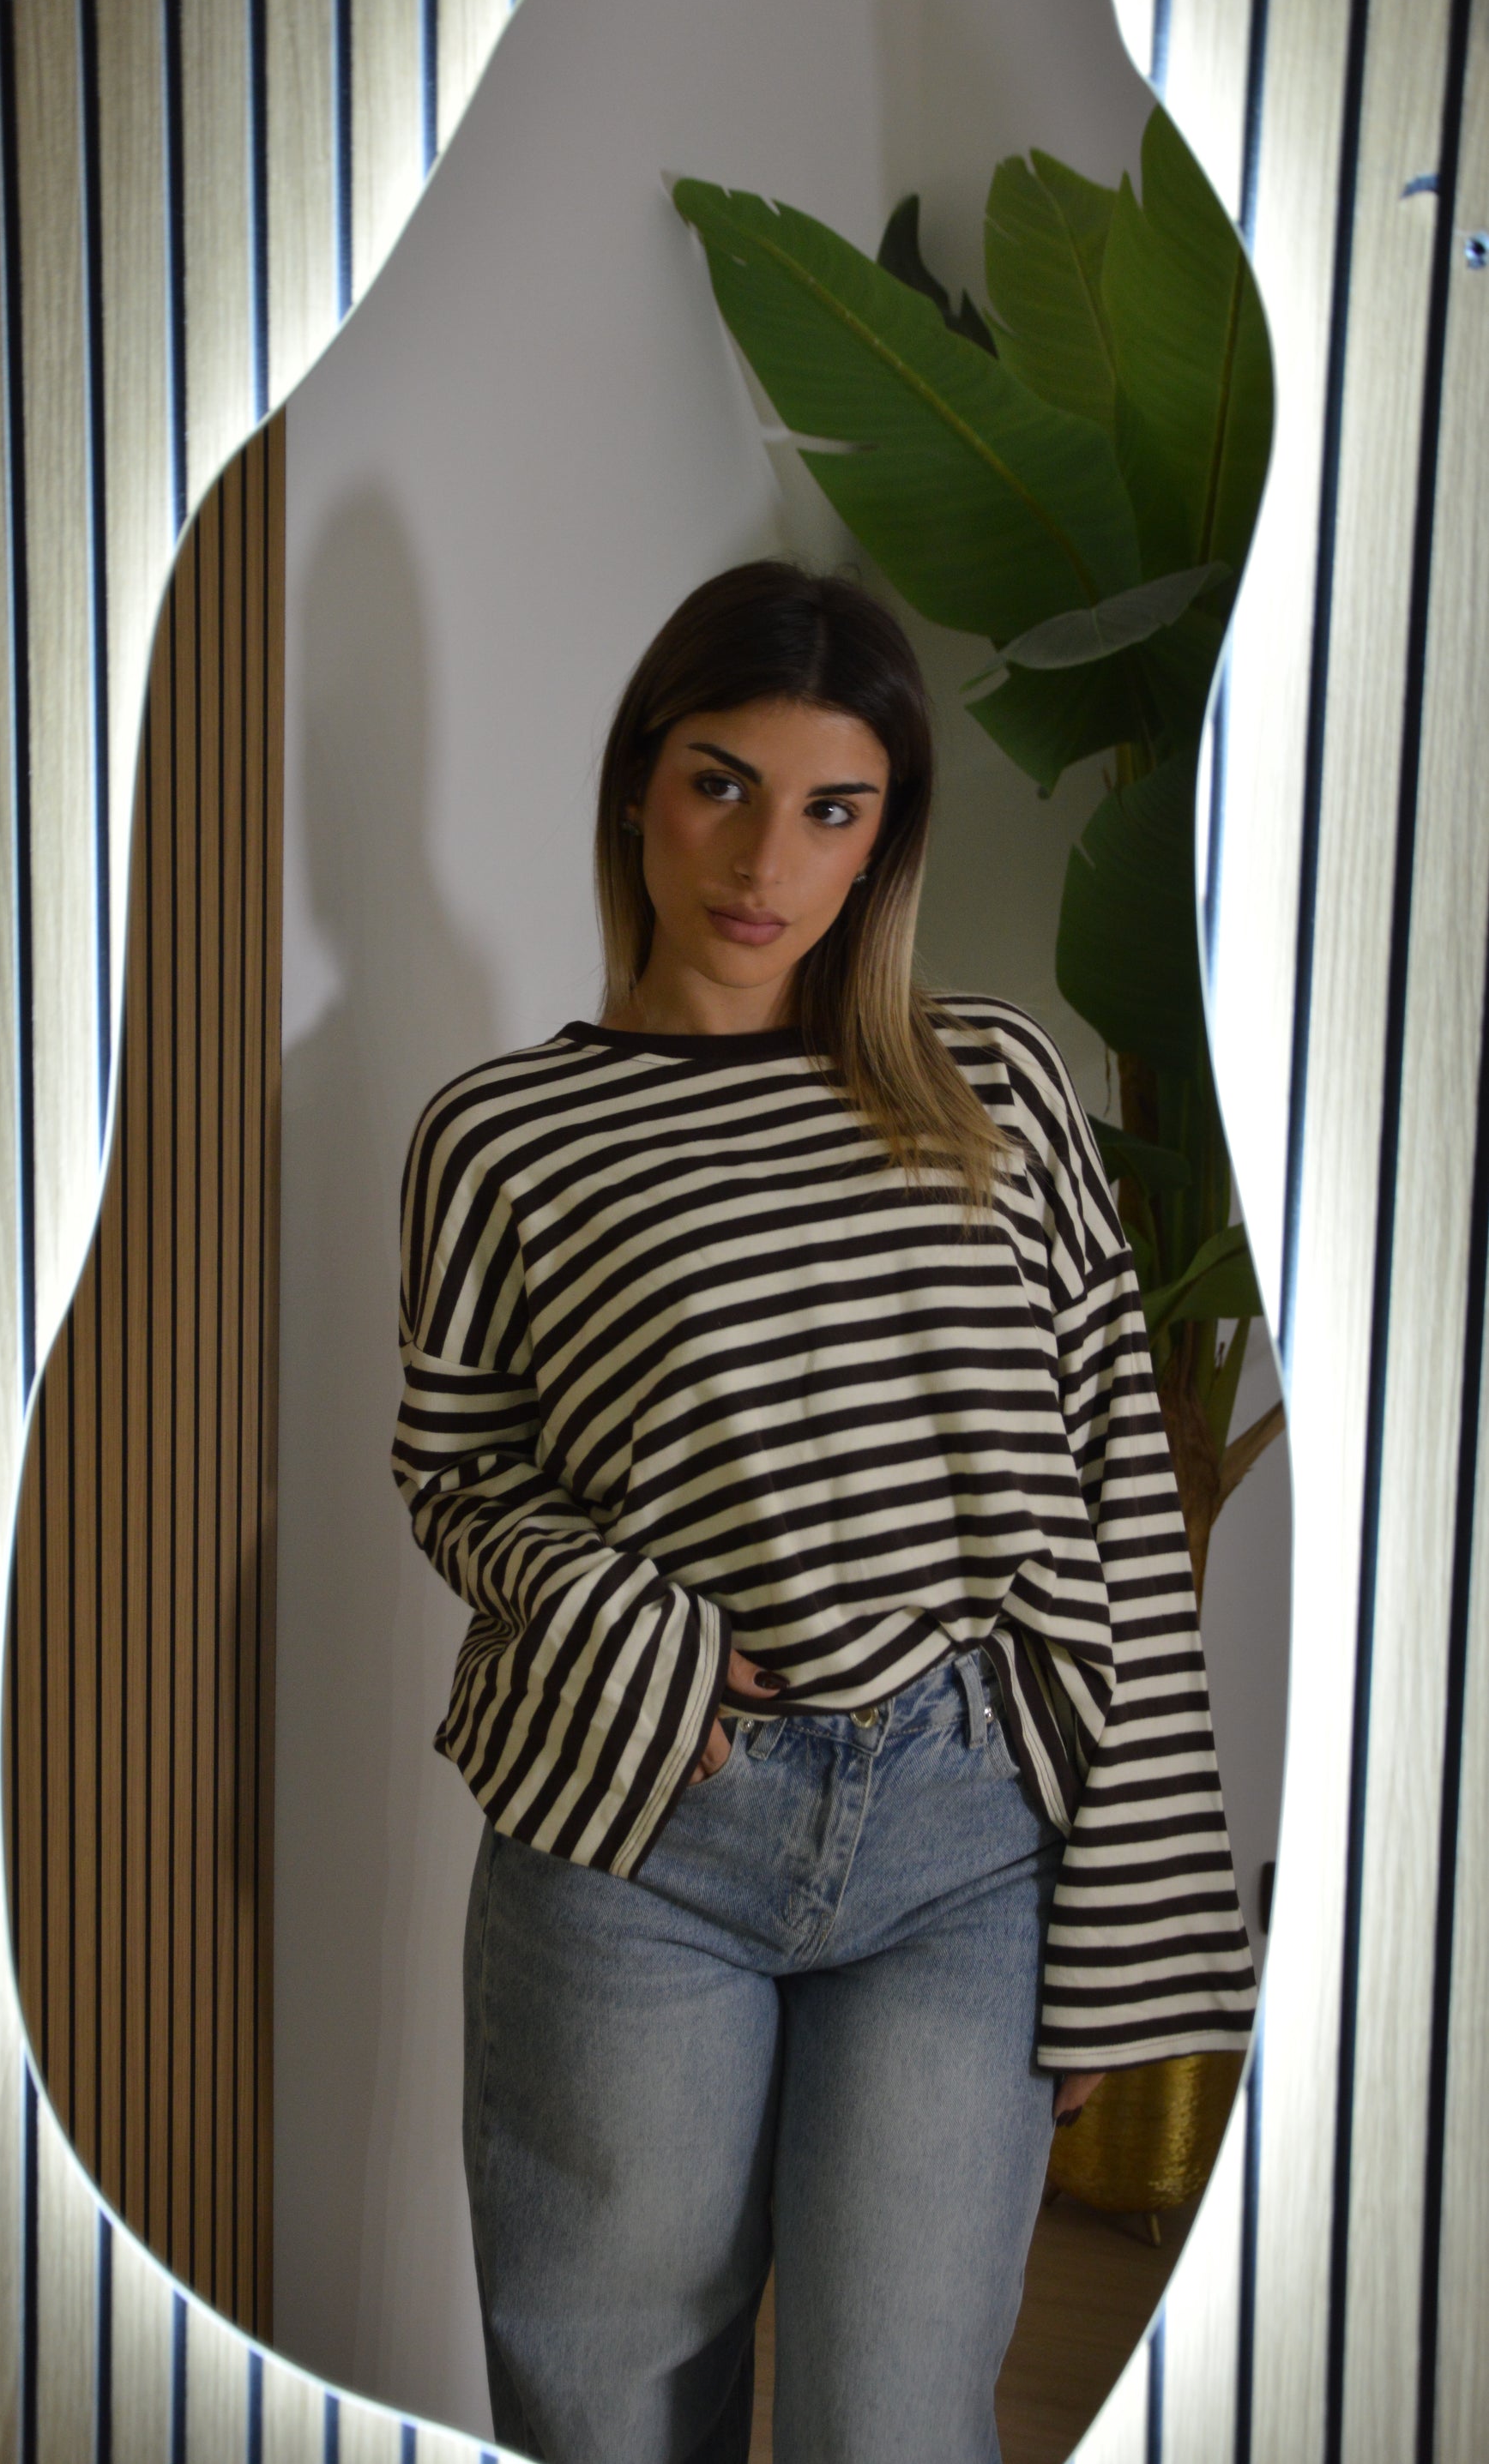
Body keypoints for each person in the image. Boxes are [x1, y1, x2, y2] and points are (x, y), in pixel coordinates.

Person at [391, 560, 1257, 2464]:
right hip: (636, 1824)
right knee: (609, 2418)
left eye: (831, 808)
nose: (763, 858)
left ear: (884, 839)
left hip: (962, 1839)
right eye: (721, 782)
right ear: (638, 780)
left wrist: (1132, 1936)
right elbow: (456, 1466)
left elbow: (1119, 1486)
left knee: (895, 2425)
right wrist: (626, 1622)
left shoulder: (993, 1086)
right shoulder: (506, 1135)